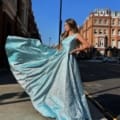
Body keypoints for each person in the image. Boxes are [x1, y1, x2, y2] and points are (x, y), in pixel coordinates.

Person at [5, 18, 92, 120]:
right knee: (59, 83)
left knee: (68, 84)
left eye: (66, 25)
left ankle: (71, 109)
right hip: (60, 60)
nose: (64, 27)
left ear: (71, 26)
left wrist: (76, 50)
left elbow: (88, 45)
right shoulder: (65, 36)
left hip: (68, 62)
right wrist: (47, 51)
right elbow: (60, 48)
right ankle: (61, 106)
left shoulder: (76, 35)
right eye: (64, 25)